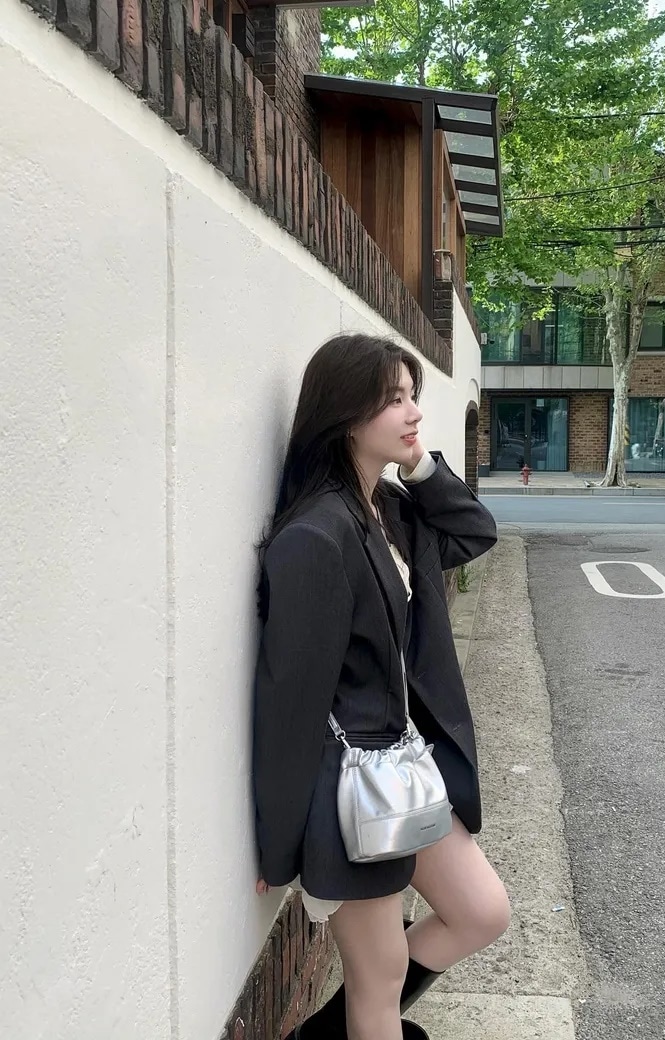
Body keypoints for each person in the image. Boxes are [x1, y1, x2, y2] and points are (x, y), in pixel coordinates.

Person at [253, 334, 510, 1040]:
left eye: (412, 396)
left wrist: (421, 467)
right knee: (381, 980)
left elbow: (475, 531)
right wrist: (278, 846)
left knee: (481, 911)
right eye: (393, 399)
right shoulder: (317, 536)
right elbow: (289, 704)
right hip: (349, 793)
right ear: (345, 414)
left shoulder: (390, 511)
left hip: (402, 770)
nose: (413, 412)